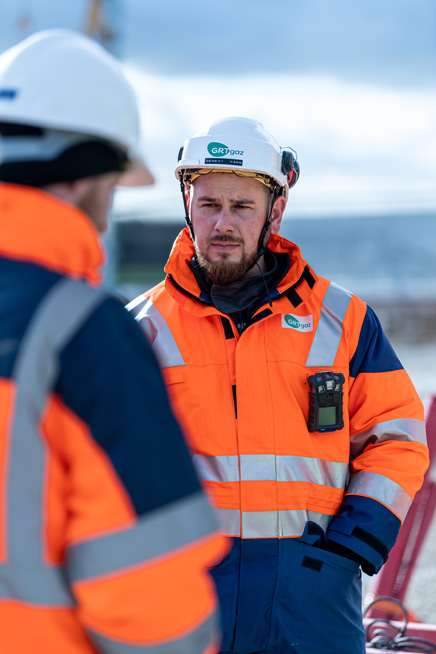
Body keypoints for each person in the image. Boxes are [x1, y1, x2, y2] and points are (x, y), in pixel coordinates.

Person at [128, 116, 430, 654]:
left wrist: (352, 544)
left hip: (312, 592)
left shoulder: (344, 321)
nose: (223, 223)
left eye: (242, 207)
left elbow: (398, 438)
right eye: (209, 204)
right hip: (187, 593)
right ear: (188, 207)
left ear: (275, 212)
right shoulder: (138, 331)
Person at [0, 30, 226, 654]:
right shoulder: (80, 332)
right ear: (82, 177)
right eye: (113, 189)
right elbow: (145, 594)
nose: (107, 217)